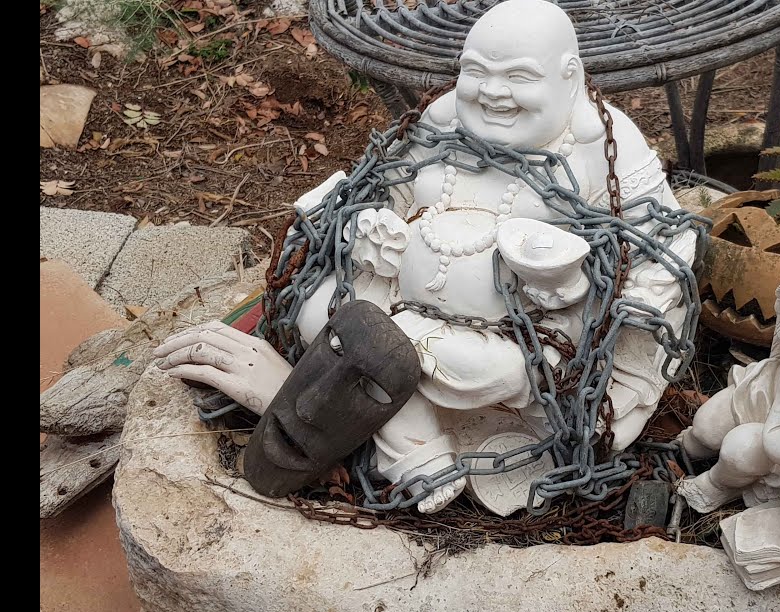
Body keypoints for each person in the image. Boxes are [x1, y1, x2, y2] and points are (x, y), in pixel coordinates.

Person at [155, 0, 695, 513]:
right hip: (393, 294)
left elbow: (666, 245)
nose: (493, 92)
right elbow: (386, 191)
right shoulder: (442, 118)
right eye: (476, 71)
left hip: (517, 336)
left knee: (481, 368)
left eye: (519, 77)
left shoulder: (606, 145)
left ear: (569, 76)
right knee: (317, 305)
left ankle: (343, 415)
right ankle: (411, 441)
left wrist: (593, 289)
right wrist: (373, 231)